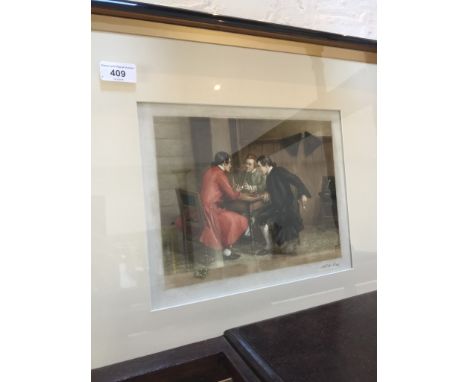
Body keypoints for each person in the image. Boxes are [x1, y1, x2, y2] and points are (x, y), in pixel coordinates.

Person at [255, 155, 312, 255]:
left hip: (288, 207)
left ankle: (288, 244)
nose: (258, 169)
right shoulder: (269, 176)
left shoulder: (279, 171)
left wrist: (302, 194)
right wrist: (266, 192)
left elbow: (295, 179)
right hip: (277, 206)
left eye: (259, 166)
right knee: (260, 217)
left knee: (288, 248)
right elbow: (272, 188)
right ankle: (269, 246)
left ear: (267, 165)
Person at [199, 151, 249, 260]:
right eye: (229, 163)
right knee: (238, 219)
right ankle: (226, 251)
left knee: (230, 216)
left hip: (204, 207)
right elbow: (232, 195)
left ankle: (226, 251)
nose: (231, 165)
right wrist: (238, 191)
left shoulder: (209, 171)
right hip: (211, 210)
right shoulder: (219, 174)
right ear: (224, 163)